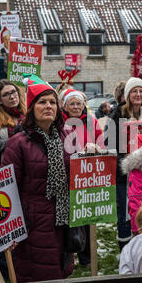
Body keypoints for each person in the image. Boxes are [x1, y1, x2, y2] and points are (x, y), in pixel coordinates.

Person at [1, 83, 74, 282]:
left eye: (53, 102)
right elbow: (7, 189)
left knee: (59, 273)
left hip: (63, 220)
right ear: (32, 108)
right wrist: (8, 228)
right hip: (33, 223)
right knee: (40, 275)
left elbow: (76, 171)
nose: (49, 106)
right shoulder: (17, 143)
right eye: (42, 102)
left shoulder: (68, 136)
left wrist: (90, 153)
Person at [107, 77, 142, 251]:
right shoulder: (117, 114)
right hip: (126, 174)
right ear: (127, 94)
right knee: (126, 211)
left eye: (141, 91)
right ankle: (126, 247)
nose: (138, 94)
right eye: (134, 91)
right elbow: (110, 143)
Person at [61, 88, 104, 268]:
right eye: (72, 104)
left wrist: (96, 147)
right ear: (65, 106)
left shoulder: (91, 121)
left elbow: (101, 142)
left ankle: (86, 258)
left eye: (79, 103)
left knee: (86, 214)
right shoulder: (61, 122)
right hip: (67, 173)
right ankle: (69, 254)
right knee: (69, 217)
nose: (76, 107)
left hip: (87, 174)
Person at [0, 79, 26, 173]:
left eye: (13, 92)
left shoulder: (27, 114)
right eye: (6, 94)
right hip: (1, 170)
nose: (12, 97)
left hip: (25, 168)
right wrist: (12, 142)